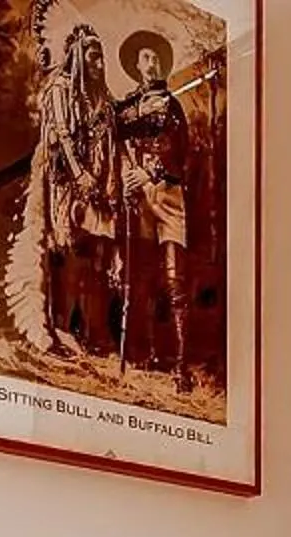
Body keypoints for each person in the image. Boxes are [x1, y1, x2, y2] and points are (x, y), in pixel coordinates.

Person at [111, 29, 194, 390]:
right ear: (136, 65)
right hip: (138, 197)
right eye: (146, 57)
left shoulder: (171, 105)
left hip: (169, 194)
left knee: (175, 279)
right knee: (141, 276)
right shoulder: (126, 107)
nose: (152, 62)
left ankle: (181, 366)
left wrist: (150, 171)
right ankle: (146, 353)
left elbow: (179, 148)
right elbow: (116, 141)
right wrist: (126, 177)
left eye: (156, 57)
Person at [27, 22, 117, 356]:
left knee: (94, 256)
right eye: (93, 56)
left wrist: (109, 182)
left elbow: (111, 145)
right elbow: (63, 135)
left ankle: (92, 330)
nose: (99, 63)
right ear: (78, 55)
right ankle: (61, 328)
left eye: (101, 57)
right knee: (65, 252)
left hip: (95, 187)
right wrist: (79, 174)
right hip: (64, 181)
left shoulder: (102, 98)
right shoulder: (60, 89)